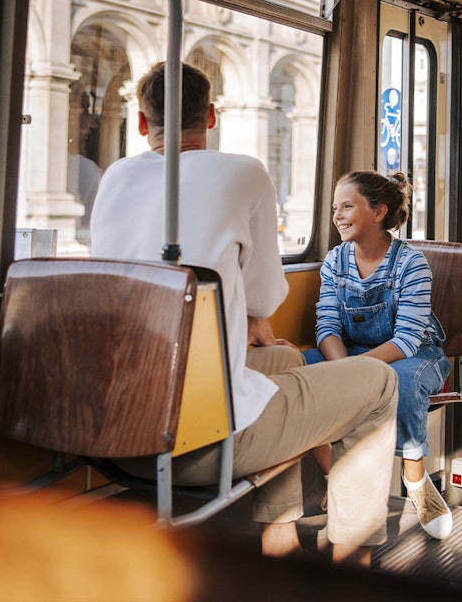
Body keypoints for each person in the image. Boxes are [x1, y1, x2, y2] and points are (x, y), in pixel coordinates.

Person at [91, 61, 399, 565]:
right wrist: (252, 315)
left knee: (289, 363)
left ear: (142, 123)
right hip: (195, 441)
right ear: (211, 116)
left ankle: (277, 537)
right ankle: (352, 564)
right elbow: (263, 299)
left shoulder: (115, 177)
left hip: (109, 424)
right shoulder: (245, 172)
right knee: (378, 382)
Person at [301, 171, 453, 540]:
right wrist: (344, 367)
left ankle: (415, 477)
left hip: (414, 354)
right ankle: (335, 475)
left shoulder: (410, 263)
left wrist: (356, 369)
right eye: (335, 208)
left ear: (379, 211)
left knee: (399, 380)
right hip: (351, 352)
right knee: (301, 370)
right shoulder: (335, 260)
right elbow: (327, 327)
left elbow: (407, 339)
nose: (337, 215)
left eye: (347, 206)